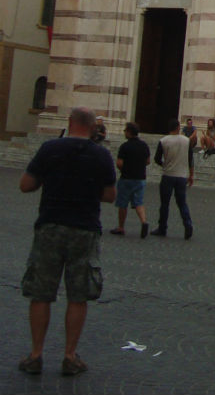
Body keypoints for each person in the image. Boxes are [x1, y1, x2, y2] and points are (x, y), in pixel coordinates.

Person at [18, 106, 116, 376]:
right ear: (94, 126)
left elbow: (25, 185)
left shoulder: (50, 149)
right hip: (84, 229)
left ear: (69, 123)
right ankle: (69, 356)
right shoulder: (101, 155)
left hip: (50, 226)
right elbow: (110, 196)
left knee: (40, 294)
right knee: (78, 296)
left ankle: (36, 355)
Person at [151, 119, 194, 239]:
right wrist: (191, 175)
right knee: (182, 203)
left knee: (164, 204)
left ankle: (162, 228)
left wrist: (164, 164)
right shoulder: (186, 141)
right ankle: (188, 224)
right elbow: (191, 159)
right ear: (178, 127)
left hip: (168, 175)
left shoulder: (164, 141)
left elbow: (156, 158)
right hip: (182, 176)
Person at [110, 122, 151, 238]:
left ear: (129, 132)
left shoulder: (124, 146)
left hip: (126, 178)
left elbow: (119, 163)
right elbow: (148, 161)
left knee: (123, 203)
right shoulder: (144, 145)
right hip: (140, 178)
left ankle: (121, 227)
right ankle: (144, 221)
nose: (124, 133)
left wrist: (125, 168)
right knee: (138, 202)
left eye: (125, 131)